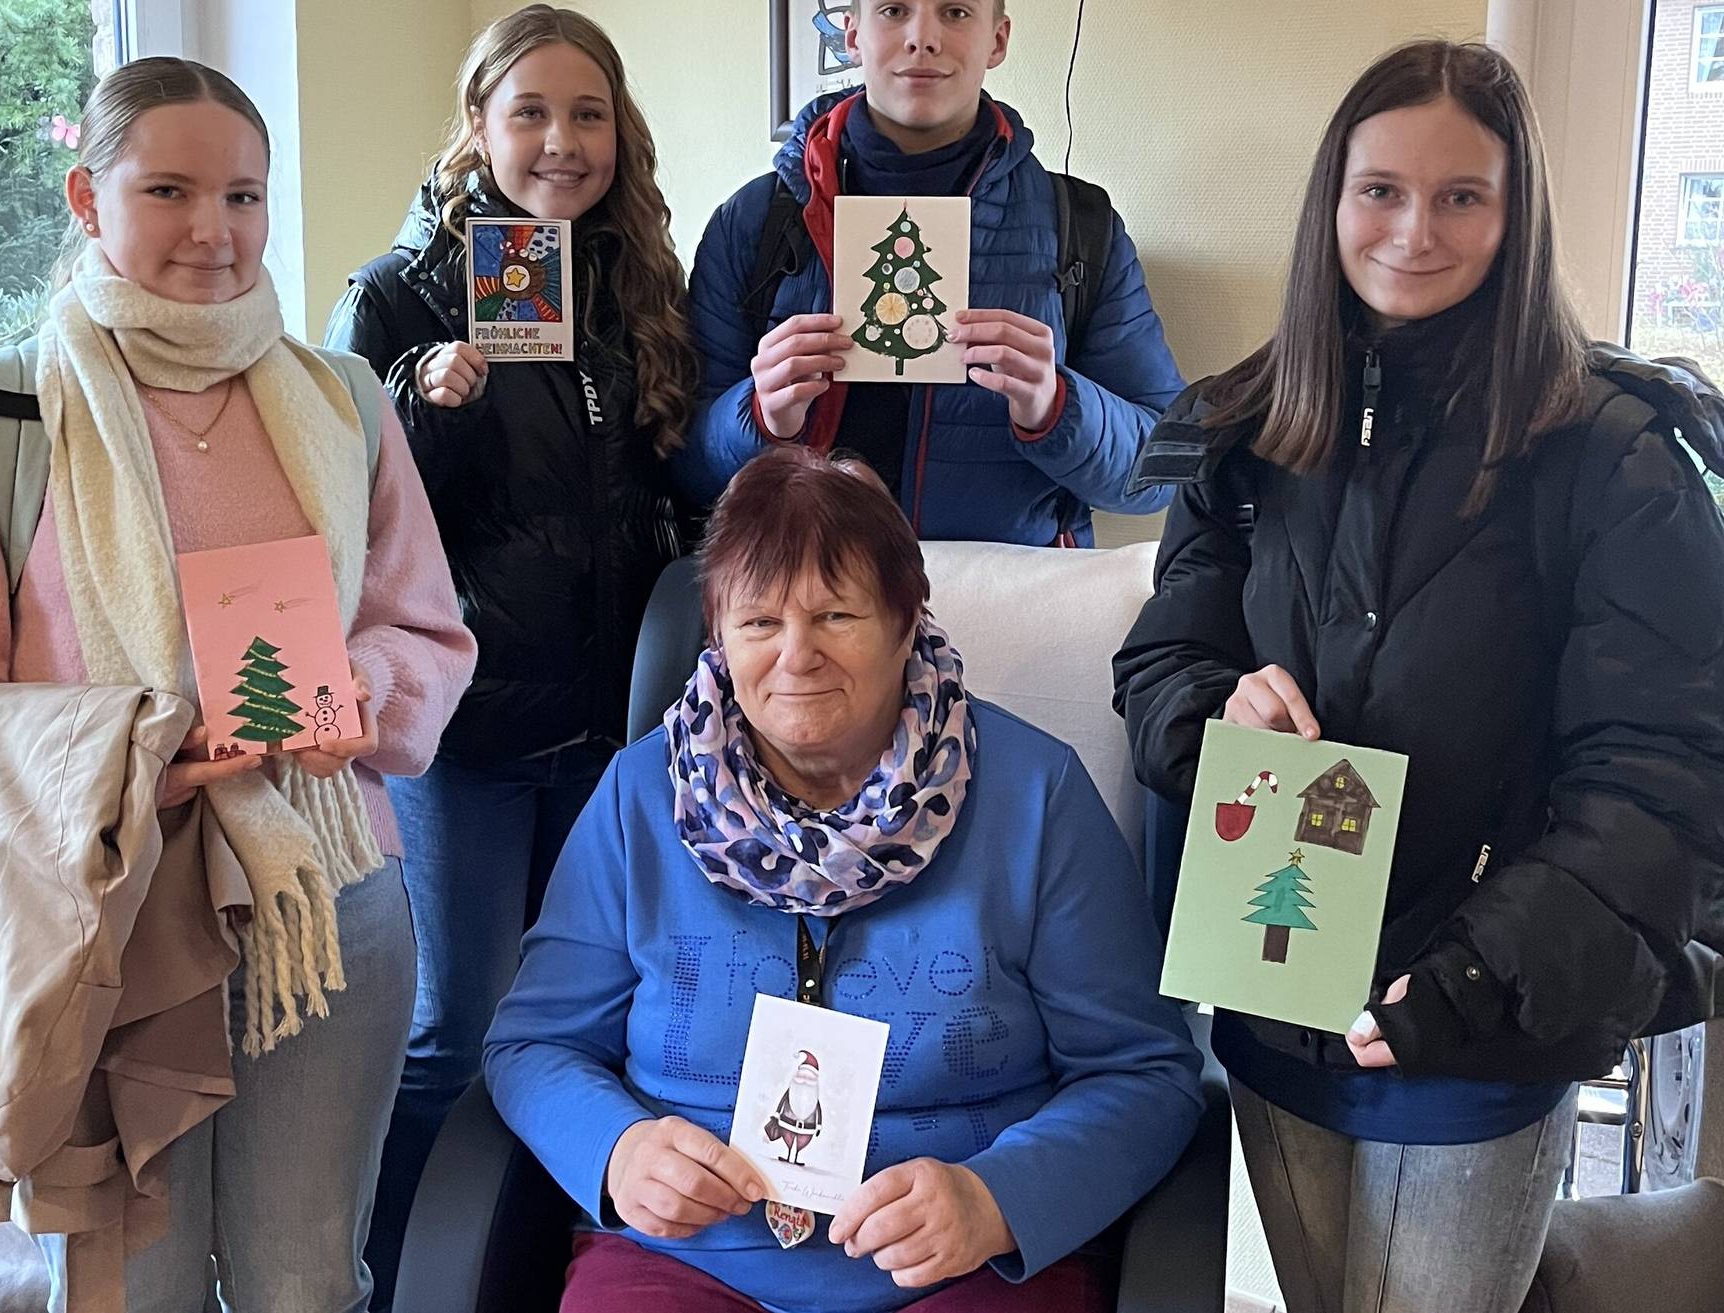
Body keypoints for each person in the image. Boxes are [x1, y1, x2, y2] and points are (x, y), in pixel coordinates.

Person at [1111, 41, 1724, 1313]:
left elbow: (1672, 782)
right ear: (1332, 203)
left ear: (1516, 218)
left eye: (1461, 195)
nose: (1414, 230)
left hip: (1481, 1026)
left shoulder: (1618, 459)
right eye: (1381, 191)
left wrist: (1470, 974)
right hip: (1278, 993)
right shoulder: (1249, 428)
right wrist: (1212, 709)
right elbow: (1165, 656)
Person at [0, 56, 473, 1311]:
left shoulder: (342, 402)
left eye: (243, 196)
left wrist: (364, 683)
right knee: (131, 1287)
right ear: (87, 197)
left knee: (307, 1283)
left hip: (326, 899)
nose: (211, 231)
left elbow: (430, 633)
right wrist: (123, 758)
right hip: (98, 918)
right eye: (168, 189)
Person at [484, 444, 1205, 1313]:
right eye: (758, 623)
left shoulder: (1035, 795)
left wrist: (997, 1199)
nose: (797, 656)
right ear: (718, 635)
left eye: (835, 616)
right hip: (688, 1259)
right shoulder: (642, 797)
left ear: (906, 622)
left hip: (960, 1265)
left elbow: (1146, 1073)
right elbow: (532, 1043)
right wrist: (620, 1148)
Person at [319, 5, 699, 1296]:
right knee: (458, 1031)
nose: (560, 141)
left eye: (587, 113)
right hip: (466, 740)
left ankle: (531, 1264)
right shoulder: (395, 293)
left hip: (610, 735)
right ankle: (400, 1276)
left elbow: (664, 487)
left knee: (581, 1031)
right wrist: (427, 404)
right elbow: (334, 514)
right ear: (476, 127)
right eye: (530, 111)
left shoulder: (637, 283)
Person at [675, 0, 1186, 545]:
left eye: (957, 12)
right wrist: (758, 416)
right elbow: (682, 468)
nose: (923, 37)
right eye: (894, 10)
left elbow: (1167, 470)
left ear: (998, 40)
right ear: (851, 35)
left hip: (1000, 604)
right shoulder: (753, 222)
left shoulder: (1080, 227)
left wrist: (1057, 405)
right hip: (800, 603)